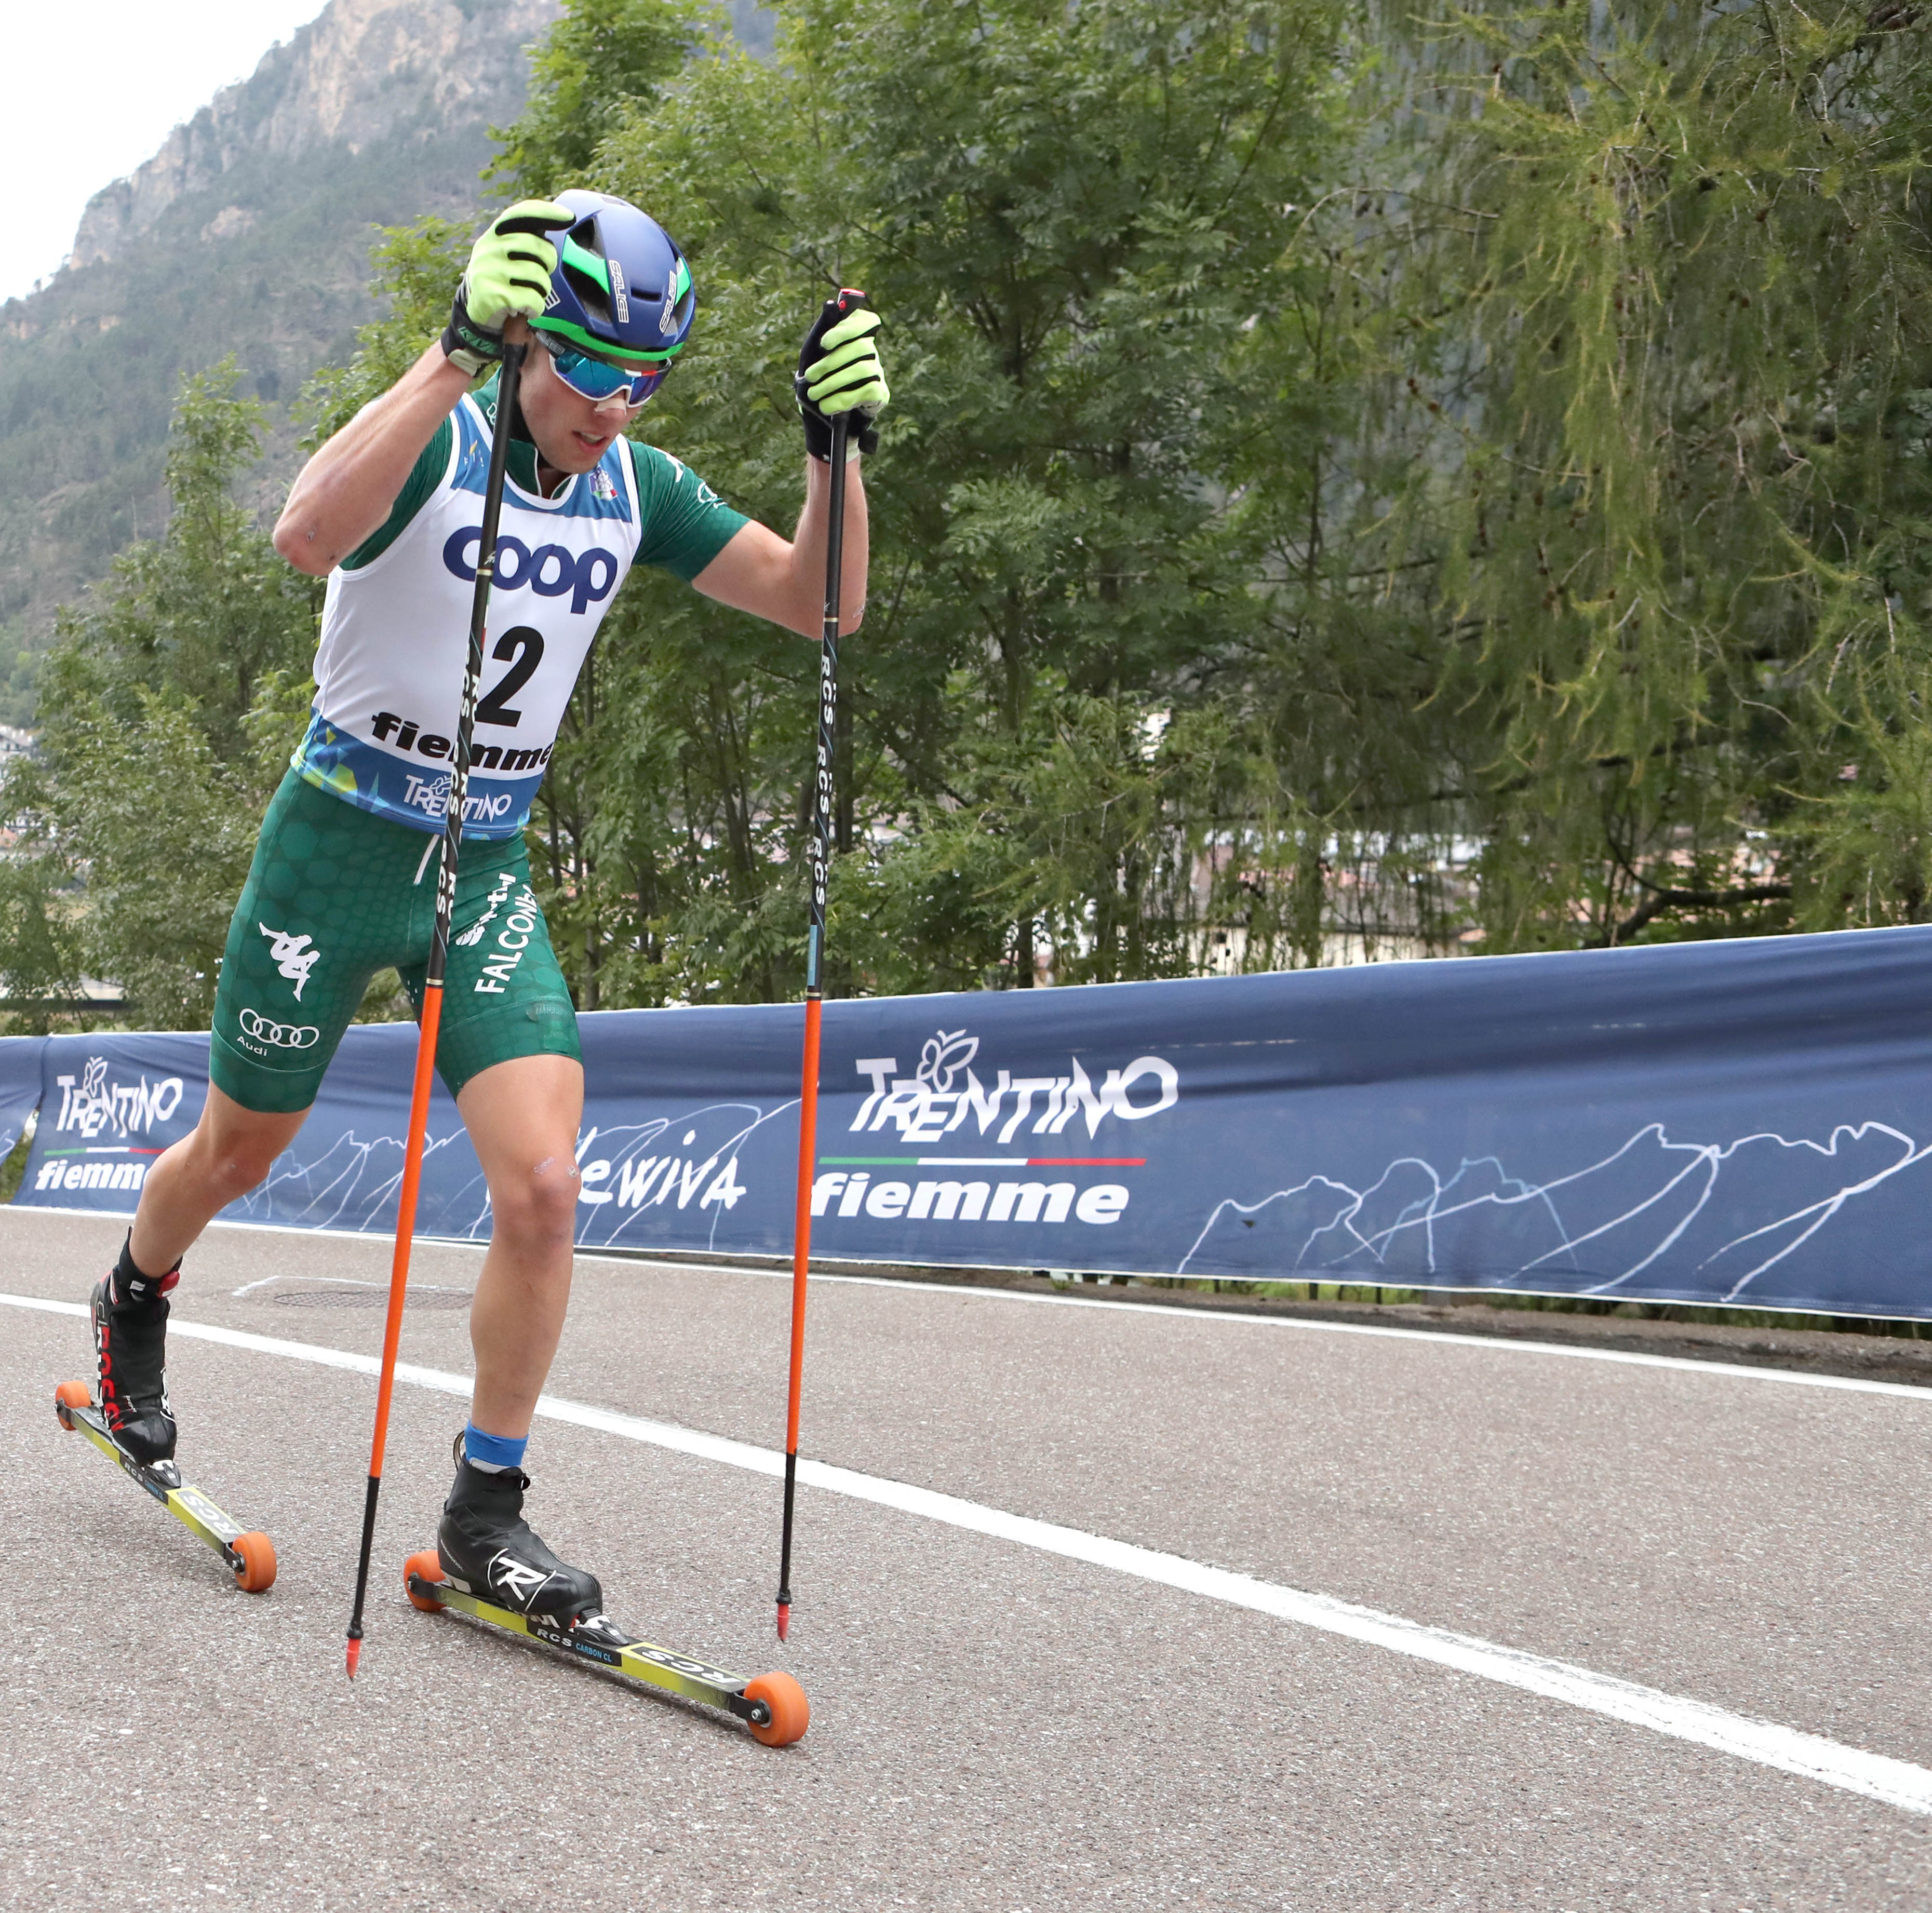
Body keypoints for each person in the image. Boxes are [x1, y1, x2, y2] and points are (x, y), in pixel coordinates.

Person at [89, 191, 888, 1619]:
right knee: (236, 1150)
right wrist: (447, 357)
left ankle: (483, 1509)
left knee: (544, 1184)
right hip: (338, 845)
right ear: (530, 339)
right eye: (590, 369)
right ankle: (135, 1295)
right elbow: (302, 534)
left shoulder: (636, 481)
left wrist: (837, 462)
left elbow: (816, 599)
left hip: (486, 866)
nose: (614, 406)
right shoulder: (445, 431)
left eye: (646, 379)